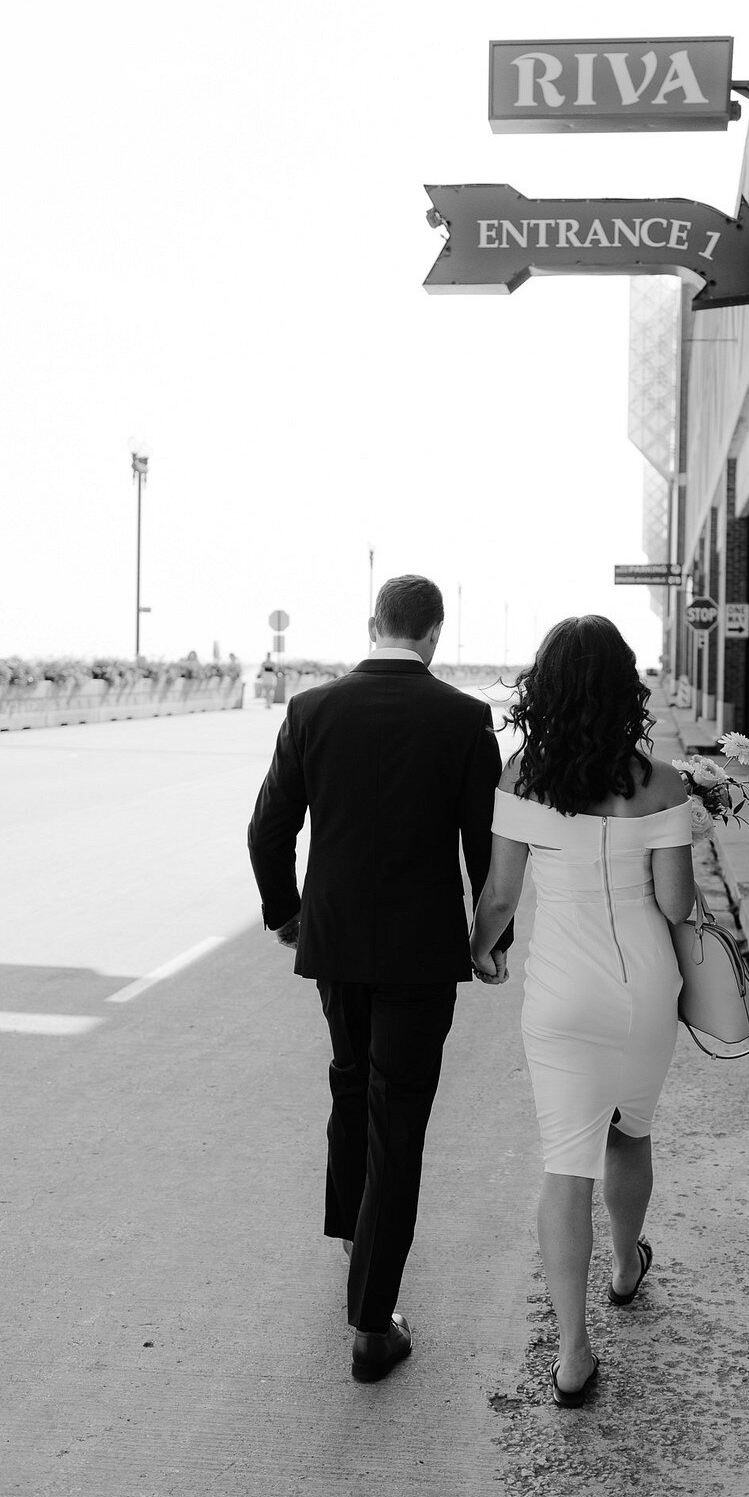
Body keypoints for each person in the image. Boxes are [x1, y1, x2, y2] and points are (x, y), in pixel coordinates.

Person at [247, 575, 511, 1383]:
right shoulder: (465, 719)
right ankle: (370, 1325)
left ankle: (356, 1244)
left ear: (374, 625)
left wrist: (286, 913)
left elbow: (268, 828)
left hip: (335, 946)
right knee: (398, 1116)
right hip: (420, 954)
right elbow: (485, 844)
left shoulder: (312, 709)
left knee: (351, 1084)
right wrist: (489, 940)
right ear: (435, 632)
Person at [469, 615, 695, 1408]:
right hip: (644, 992)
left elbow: (500, 895)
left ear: (547, 689)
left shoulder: (520, 776)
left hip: (560, 996)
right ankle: (627, 1267)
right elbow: (675, 902)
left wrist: (481, 949)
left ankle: (572, 1355)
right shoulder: (661, 782)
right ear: (624, 685)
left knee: (565, 1165)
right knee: (630, 1130)